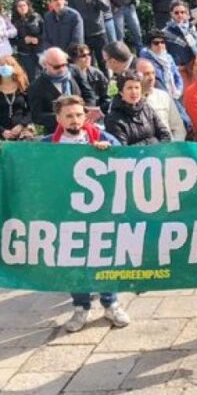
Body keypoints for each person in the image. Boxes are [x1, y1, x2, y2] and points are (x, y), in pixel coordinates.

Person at [46, 95, 129, 333]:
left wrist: (108, 152)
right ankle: (81, 306)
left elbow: (126, 158)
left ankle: (111, 302)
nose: (75, 120)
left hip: (100, 211)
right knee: (75, 258)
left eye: (79, 115)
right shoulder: (48, 144)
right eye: (69, 116)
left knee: (104, 255)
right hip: (67, 213)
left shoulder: (100, 136)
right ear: (59, 118)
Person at [28, 47, 94, 134]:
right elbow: (37, 116)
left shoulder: (74, 71)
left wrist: (85, 112)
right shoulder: (37, 86)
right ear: (45, 65)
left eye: (64, 64)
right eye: (57, 67)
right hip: (56, 131)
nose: (62, 69)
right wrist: (62, 117)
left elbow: (89, 94)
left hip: (82, 126)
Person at [104, 70, 172, 146]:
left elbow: (165, 135)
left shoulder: (147, 108)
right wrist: (152, 141)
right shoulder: (113, 118)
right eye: (129, 88)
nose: (134, 92)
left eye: (137, 87)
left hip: (157, 155)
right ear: (121, 92)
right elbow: (122, 150)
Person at [67, 0, 111, 67]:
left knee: (103, 61)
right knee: (88, 62)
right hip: (85, 34)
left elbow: (106, 8)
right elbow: (72, 16)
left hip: (100, 33)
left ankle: (105, 80)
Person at [137, 58, 187, 141]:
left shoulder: (164, 96)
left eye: (153, 73)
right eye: (146, 74)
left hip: (169, 148)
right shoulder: (130, 100)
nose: (151, 78)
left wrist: (175, 147)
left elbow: (178, 128)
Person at [163, 0, 197, 84]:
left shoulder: (191, 28)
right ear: (171, 14)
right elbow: (164, 53)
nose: (180, 15)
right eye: (176, 13)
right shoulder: (165, 32)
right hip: (180, 67)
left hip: (196, 64)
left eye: (182, 12)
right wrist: (175, 66)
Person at [0, 57, 34, 141]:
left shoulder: (23, 87)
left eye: (8, 65)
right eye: (1, 65)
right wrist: (2, 131)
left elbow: (31, 109)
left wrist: (22, 125)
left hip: (22, 131)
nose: (5, 67)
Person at [10, 0, 43, 80]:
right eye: (19, 6)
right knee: (32, 77)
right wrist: (23, 41)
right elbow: (12, 40)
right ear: (16, 8)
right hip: (25, 53)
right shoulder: (13, 21)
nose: (22, 7)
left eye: (24, 5)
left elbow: (46, 32)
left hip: (39, 51)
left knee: (44, 75)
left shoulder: (36, 16)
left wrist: (38, 39)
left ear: (28, 6)